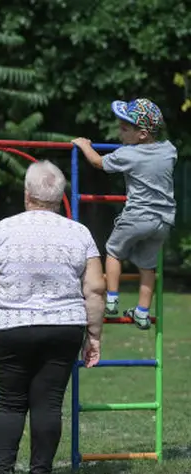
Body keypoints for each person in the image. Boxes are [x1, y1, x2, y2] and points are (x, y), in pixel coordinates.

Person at [0, 161, 105, 474]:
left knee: (9, 404)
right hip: (64, 327)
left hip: (13, 326)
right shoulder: (80, 234)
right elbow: (94, 290)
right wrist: (94, 335)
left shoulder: (1, 230)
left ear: (27, 194)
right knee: (48, 404)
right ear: (60, 197)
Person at [72, 98, 177, 330]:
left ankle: (112, 299)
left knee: (113, 251)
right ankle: (142, 311)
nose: (119, 133)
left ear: (141, 135)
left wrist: (84, 145)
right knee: (148, 266)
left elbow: (98, 162)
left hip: (137, 216)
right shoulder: (169, 151)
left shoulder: (128, 155)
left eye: (124, 129)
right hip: (164, 220)